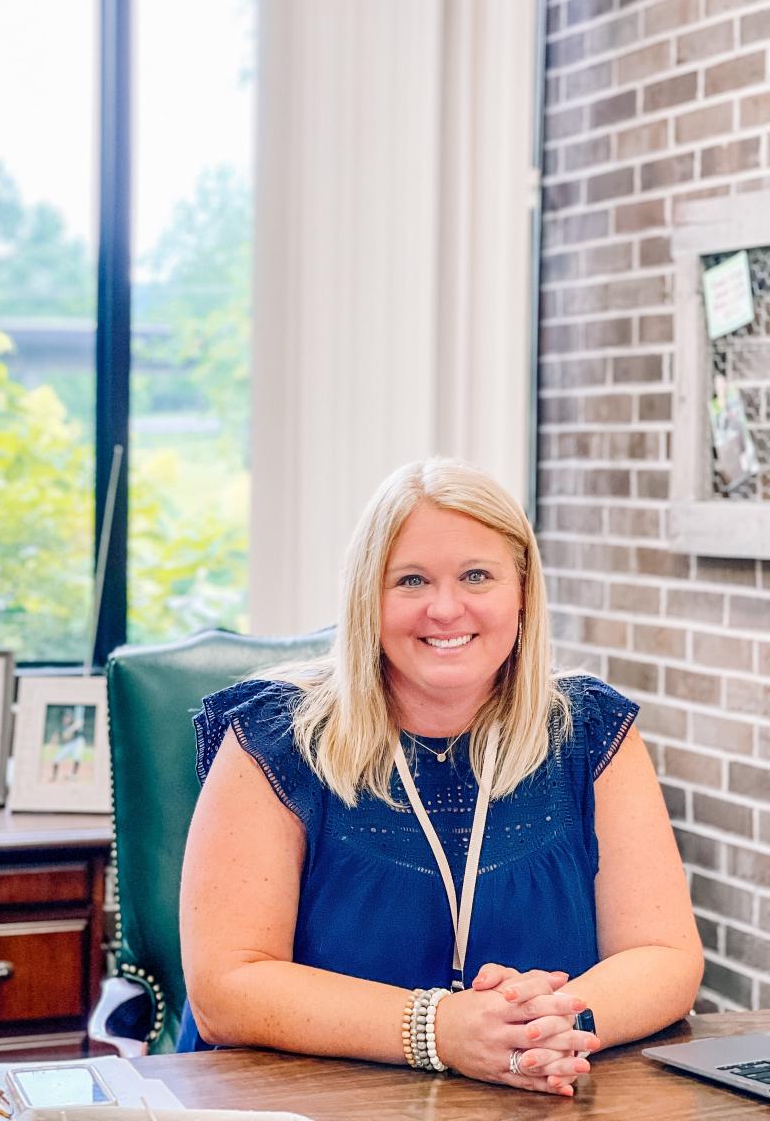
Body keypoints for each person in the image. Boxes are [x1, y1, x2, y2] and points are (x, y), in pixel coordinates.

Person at [178, 458, 703, 1096]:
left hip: (538, 1099)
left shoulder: (589, 731)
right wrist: (439, 1029)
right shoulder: (275, 738)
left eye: (477, 576)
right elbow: (226, 989)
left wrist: (541, 1032)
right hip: (308, 1103)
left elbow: (667, 957)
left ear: (523, 592)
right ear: (367, 597)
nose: (445, 608)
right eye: (411, 580)